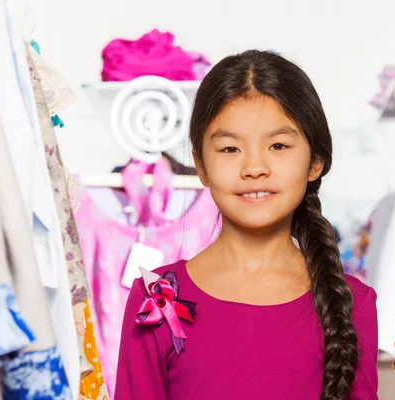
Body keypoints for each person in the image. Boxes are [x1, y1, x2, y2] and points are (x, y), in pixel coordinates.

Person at [114, 50, 378, 400]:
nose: (254, 167)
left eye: (278, 145)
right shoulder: (155, 299)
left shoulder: (352, 303)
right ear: (201, 165)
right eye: (229, 149)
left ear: (315, 161)